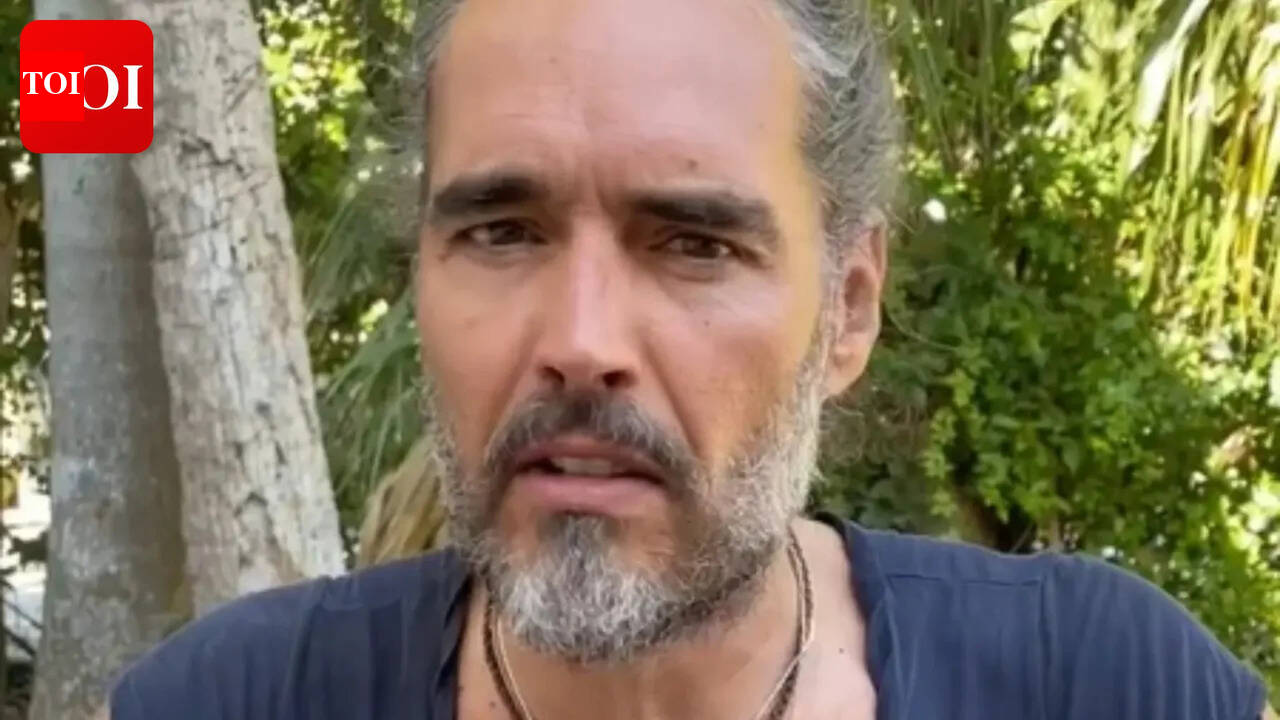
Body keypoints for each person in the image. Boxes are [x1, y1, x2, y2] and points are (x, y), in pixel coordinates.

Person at [109, 0, 1275, 718]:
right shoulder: (221, 704)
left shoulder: (1104, 687)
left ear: (846, 310)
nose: (579, 342)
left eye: (694, 244)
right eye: (503, 232)